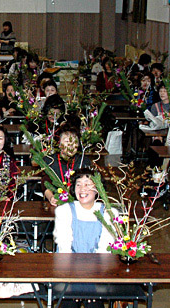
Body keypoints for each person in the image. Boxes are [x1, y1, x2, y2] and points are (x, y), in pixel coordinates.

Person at [53, 168, 117, 308]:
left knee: (93, 301)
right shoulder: (64, 211)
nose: (83, 188)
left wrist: (89, 282)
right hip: (68, 271)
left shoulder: (108, 213)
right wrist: (75, 282)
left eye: (88, 184)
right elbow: (64, 248)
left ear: (98, 188)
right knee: (69, 300)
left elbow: (105, 250)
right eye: (79, 184)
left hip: (98, 271)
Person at [43, 127, 91, 206]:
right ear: (59, 144)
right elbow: (45, 182)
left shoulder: (84, 161)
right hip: (57, 201)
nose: (71, 145)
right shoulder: (49, 160)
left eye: (75, 141)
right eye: (67, 141)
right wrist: (51, 197)